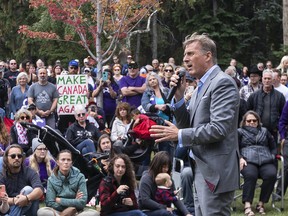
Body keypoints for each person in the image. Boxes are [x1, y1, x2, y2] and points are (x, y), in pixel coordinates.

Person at [150, 33, 240, 215]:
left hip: (215, 173)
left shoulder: (222, 83)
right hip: (200, 168)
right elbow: (186, 123)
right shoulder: (200, 86)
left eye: (191, 54)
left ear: (207, 56)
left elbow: (219, 129)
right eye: (185, 55)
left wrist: (180, 135)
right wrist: (178, 95)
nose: (185, 59)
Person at [37, 150, 99, 216]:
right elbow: (50, 202)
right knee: (42, 212)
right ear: (57, 162)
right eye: (63, 160)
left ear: (71, 162)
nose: (66, 162)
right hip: (58, 212)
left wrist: (60, 200)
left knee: (94, 213)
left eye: (68, 160)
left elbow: (82, 202)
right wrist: (73, 203)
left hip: (76, 211)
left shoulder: (80, 177)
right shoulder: (51, 179)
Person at [238, 111, 277, 215]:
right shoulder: (239, 132)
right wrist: (240, 158)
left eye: (254, 120)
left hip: (266, 160)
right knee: (251, 175)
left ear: (258, 121)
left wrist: (272, 156)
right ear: (244, 122)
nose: (251, 122)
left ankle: (261, 204)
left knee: (271, 175)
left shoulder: (264, 131)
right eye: (249, 120)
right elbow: (234, 148)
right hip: (248, 160)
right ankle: (247, 205)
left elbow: (273, 147)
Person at [138, 151, 192, 216]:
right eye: (163, 167)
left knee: (189, 211)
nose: (166, 169)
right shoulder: (146, 178)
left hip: (166, 209)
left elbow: (175, 199)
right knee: (165, 213)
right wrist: (164, 207)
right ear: (156, 165)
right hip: (149, 211)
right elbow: (145, 201)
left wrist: (187, 213)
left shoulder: (168, 178)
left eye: (167, 167)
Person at [0, 144, 44, 216]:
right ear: (6, 158)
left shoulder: (29, 172)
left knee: (28, 190)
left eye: (19, 156)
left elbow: (39, 189)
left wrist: (26, 198)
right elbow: (1, 197)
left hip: (29, 209)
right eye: (13, 156)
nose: (16, 158)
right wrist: (15, 200)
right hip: (9, 209)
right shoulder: (2, 175)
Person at [247, 69, 286, 143]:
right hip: (257, 131)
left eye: (269, 78)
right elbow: (248, 112)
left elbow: (283, 115)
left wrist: (278, 127)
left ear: (272, 80)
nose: (267, 80)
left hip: (273, 132)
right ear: (262, 79)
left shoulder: (279, 96)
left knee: (273, 153)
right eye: (265, 78)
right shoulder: (254, 96)